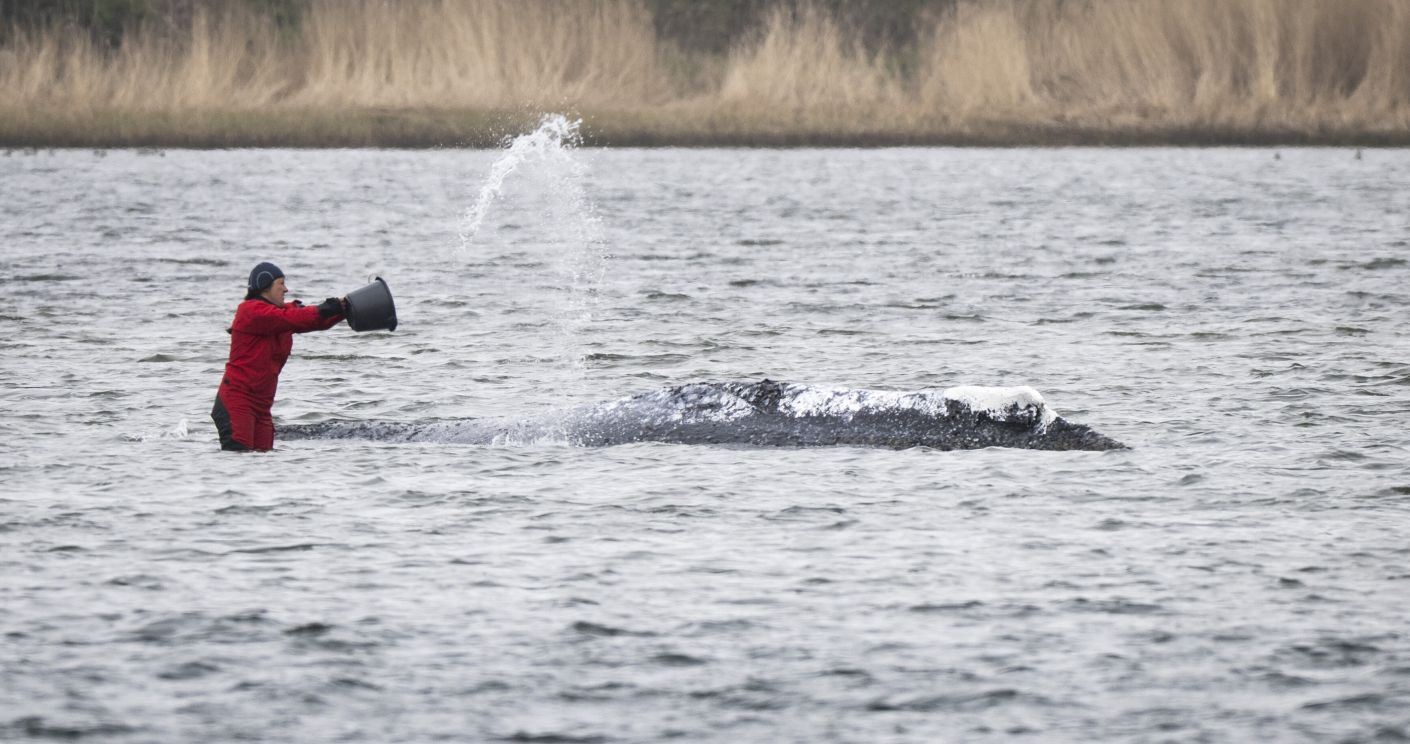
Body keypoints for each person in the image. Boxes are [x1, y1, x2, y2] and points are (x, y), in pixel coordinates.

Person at [212, 262, 346, 451]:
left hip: (262, 407)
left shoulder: (281, 314)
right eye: (281, 283)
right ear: (264, 286)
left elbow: (313, 321)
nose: (286, 289)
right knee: (239, 463)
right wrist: (325, 308)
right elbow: (293, 318)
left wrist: (345, 309)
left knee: (265, 464)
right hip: (237, 403)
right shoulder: (250, 311)